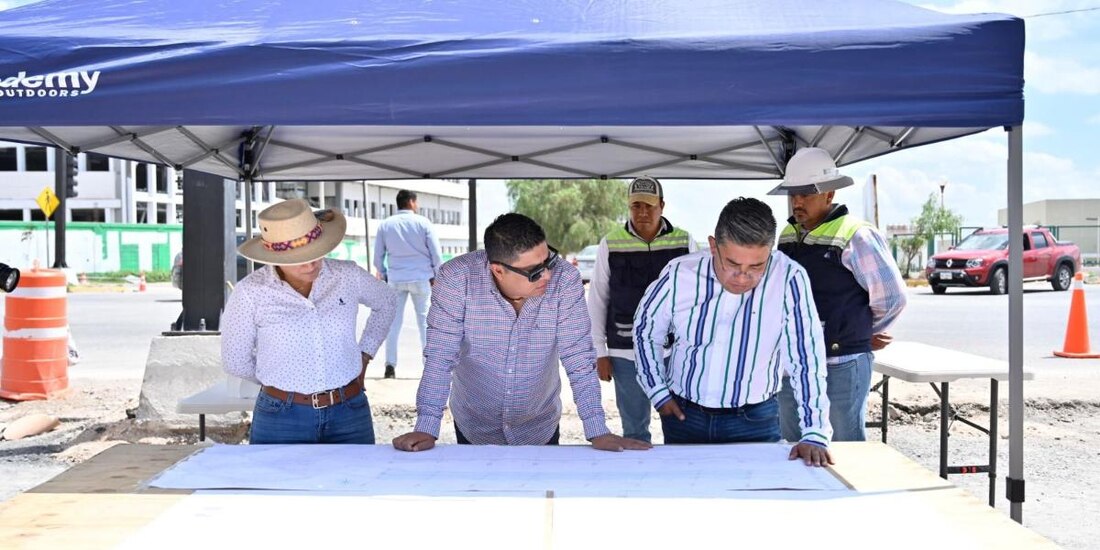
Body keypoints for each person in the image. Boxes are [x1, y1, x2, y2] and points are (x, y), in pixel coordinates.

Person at [392, 213, 651, 453]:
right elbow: (440, 358)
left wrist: (597, 430)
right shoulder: (456, 280)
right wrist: (427, 426)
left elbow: (579, 358)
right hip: (474, 425)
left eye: (548, 260)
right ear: (498, 270)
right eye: (535, 271)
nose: (548, 275)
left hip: (540, 425)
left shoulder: (565, 280)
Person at [633, 197, 833, 466]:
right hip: (683, 416)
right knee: (686, 496)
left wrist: (815, 431)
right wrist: (657, 391)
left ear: (770, 252)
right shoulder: (681, 273)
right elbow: (646, 329)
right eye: (733, 264)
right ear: (714, 246)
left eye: (756, 267)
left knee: (754, 500)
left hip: (755, 421)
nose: (742, 277)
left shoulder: (789, 278)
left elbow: (806, 358)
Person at [222, 199, 397, 444]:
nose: (311, 263)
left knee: (357, 480)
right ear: (274, 257)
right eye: (299, 258)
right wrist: (280, 381)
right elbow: (236, 361)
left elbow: (387, 300)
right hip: (280, 417)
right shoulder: (250, 292)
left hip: (349, 411)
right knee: (277, 482)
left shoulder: (347, 275)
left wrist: (365, 353)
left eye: (316, 252)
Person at [769, 147, 907, 442]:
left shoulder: (856, 234)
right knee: (794, 444)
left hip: (841, 362)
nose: (798, 201)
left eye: (807, 193)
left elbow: (892, 297)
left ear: (829, 195)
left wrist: (860, 332)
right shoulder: (789, 235)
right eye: (794, 194)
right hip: (795, 362)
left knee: (845, 447)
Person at [587, 176, 696, 443]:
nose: (643, 212)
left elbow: (694, 300)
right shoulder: (610, 243)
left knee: (679, 426)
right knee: (635, 430)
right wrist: (599, 352)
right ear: (628, 206)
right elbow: (598, 298)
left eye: (649, 206)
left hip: (673, 352)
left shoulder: (684, 241)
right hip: (624, 353)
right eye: (636, 206)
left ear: (662, 205)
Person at [373, 189, 443, 379]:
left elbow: (378, 255)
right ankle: (429, 366)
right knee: (425, 323)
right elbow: (436, 254)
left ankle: (390, 366)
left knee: (394, 324)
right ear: (411, 202)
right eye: (416, 202)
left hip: (396, 279)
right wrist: (437, 275)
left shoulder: (385, 225)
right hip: (421, 278)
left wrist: (385, 273)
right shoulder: (423, 223)